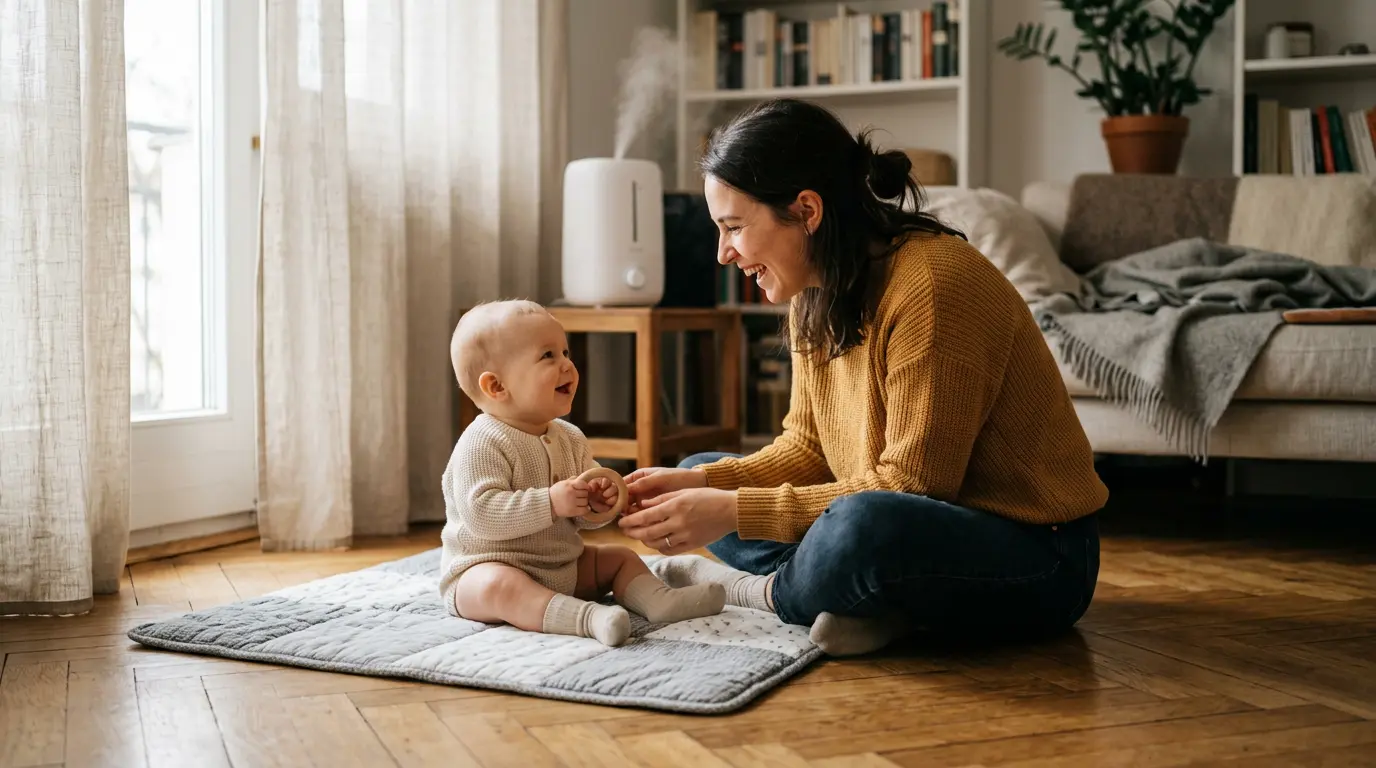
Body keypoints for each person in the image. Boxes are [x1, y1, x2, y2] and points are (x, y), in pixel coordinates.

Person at [616, 99, 1108, 656]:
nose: (724, 254)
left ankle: (761, 593)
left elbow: (917, 487)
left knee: (861, 528)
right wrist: (706, 489)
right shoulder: (813, 293)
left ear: (806, 211)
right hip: (906, 530)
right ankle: (867, 602)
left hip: (1039, 558)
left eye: (733, 227)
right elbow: (807, 448)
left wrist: (731, 510)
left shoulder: (934, 285)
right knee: (696, 470)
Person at [438, 300, 725, 647]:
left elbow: (584, 521)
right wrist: (553, 502)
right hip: (484, 569)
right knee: (501, 586)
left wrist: (599, 504)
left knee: (619, 558)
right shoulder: (481, 442)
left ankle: (659, 601)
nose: (568, 365)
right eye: (548, 356)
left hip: (562, 566)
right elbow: (482, 515)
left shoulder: (569, 437)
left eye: (565, 351)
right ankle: (588, 619)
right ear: (497, 387)